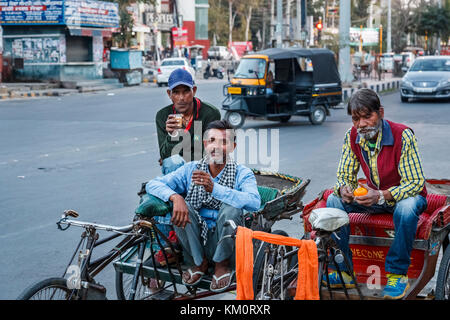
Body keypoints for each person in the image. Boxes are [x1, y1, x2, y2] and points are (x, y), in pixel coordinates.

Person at [325, 88, 427, 300]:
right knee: (334, 199)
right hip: (375, 197)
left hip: (404, 197)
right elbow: (344, 176)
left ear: (380, 113)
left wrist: (381, 195)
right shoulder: (352, 136)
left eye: (367, 116)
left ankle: (397, 274)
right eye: (355, 119)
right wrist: (345, 189)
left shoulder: (403, 135)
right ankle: (345, 270)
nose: (361, 124)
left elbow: (415, 183)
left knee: (407, 206)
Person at [146, 120, 261, 292]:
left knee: (232, 208)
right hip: (195, 240)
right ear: (205, 144)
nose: (217, 146)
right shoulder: (191, 169)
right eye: (212, 141)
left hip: (225, 239)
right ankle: (198, 263)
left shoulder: (242, 173)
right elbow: (153, 184)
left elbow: (254, 202)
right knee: (178, 206)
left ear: (232, 146)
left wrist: (215, 189)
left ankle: (222, 265)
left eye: (224, 142)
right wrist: (176, 197)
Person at [156, 68, 221, 175]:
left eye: (186, 91)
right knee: (172, 163)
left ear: (194, 91)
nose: (181, 98)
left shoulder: (210, 113)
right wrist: (172, 135)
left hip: (203, 167)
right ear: (169, 94)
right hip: (177, 171)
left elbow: (210, 152)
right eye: (176, 92)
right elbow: (165, 156)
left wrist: (178, 156)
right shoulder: (162, 116)